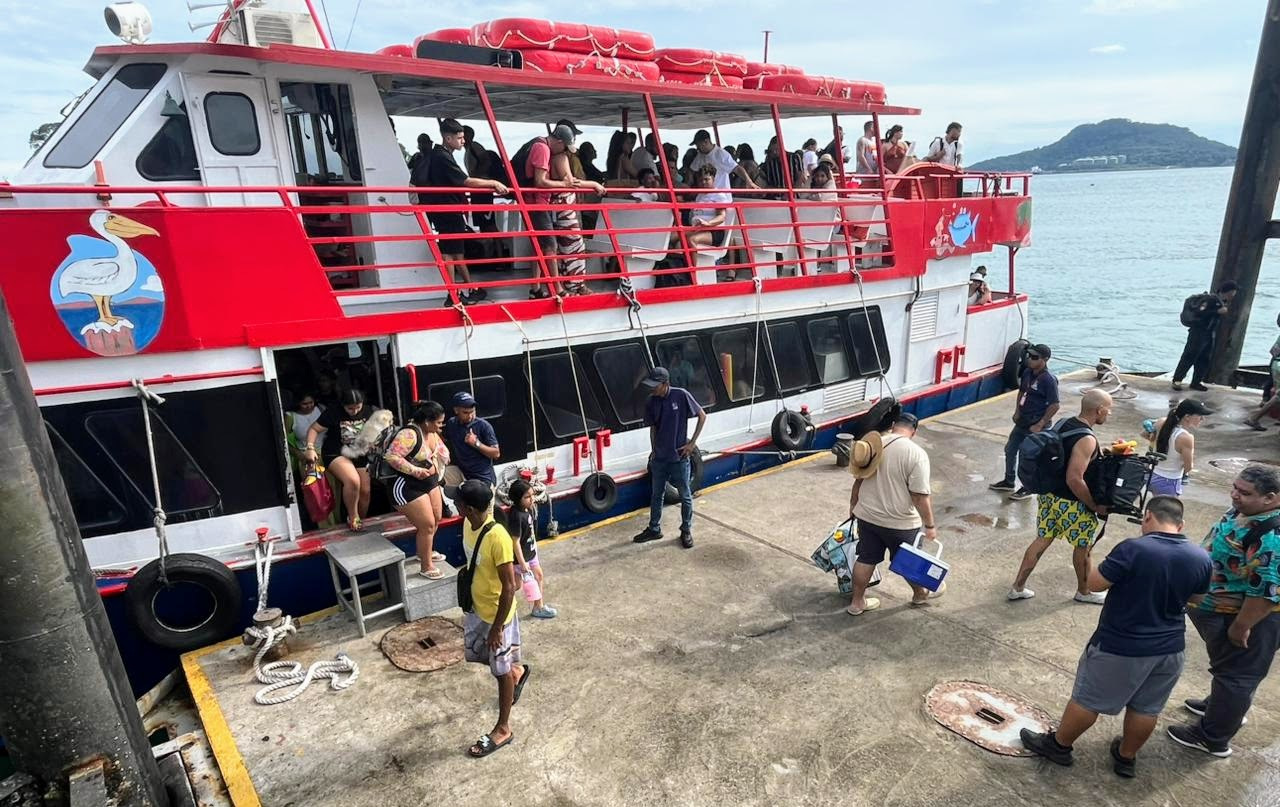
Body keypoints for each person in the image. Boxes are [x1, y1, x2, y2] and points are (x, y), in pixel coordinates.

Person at [1019, 496, 1212, 778]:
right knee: (1146, 707)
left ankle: (1059, 745)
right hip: (1170, 649)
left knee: (1087, 700)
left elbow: (1093, 584)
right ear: (1181, 524)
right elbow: (1197, 599)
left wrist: (1089, 555)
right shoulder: (1200, 557)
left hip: (1122, 645)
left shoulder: (1134, 549)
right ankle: (1126, 757)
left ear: (1147, 518)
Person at [1167, 465, 1280, 758]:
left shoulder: (1272, 535)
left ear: (1270, 498)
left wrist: (1241, 626)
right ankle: (1224, 707)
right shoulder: (1249, 513)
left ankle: (1213, 736)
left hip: (1249, 618)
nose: (1234, 495)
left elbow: (1266, 593)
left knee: (1238, 674)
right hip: (1220, 608)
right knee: (1231, 671)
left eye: (1244, 493)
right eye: (1234, 487)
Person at [1008, 389, 1113, 603]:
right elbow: (1074, 478)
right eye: (1108, 410)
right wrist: (1093, 505)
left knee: (1042, 539)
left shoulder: (1064, 422)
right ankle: (1083, 592)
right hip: (1072, 503)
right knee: (1083, 547)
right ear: (1099, 409)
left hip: (1049, 496)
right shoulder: (1087, 438)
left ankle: (1018, 587)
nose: (1108, 414)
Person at [458, 480, 529, 758]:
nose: (455, 505)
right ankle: (517, 671)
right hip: (478, 609)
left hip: (497, 616)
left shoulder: (497, 537)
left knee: (499, 673)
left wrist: (498, 627)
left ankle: (503, 728)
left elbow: (509, 586)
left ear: (471, 508)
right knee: (487, 660)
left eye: (459, 503)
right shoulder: (468, 523)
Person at [845, 410, 940, 614]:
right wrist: (930, 525)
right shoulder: (916, 454)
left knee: (866, 558)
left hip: (868, 516)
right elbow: (919, 496)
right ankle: (919, 595)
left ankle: (857, 603)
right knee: (908, 562)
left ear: (894, 425)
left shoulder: (873, 445)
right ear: (913, 432)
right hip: (900, 522)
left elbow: (858, 479)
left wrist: (853, 506)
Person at [424, 118, 510, 306]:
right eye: (460, 137)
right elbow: (466, 181)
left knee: (454, 251)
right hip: (448, 209)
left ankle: (464, 289)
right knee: (451, 253)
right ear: (448, 138)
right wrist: (493, 183)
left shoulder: (437, 155)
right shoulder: (443, 157)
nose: (463, 141)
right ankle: (454, 294)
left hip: (441, 209)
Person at [524, 124, 604, 299]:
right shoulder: (550, 152)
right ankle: (561, 287)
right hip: (544, 204)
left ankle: (539, 288)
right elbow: (549, 181)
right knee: (562, 245)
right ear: (560, 141)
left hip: (544, 203)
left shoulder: (545, 149)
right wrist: (592, 184)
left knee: (546, 246)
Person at [633, 367, 707, 549]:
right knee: (656, 495)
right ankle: (654, 528)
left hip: (679, 458)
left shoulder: (681, 396)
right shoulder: (651, 401)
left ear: (665, 384)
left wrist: (692, 444)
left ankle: (686, 530)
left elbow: (702, 415)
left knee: (685, 496)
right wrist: (654, 452)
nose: (652, 389)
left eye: (655, 386)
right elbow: (653, 428)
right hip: (660, 459)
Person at [384, 401, 449, 579]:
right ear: (427, 421)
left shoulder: (433, 432)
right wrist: (415, 470)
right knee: (427, 524)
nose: (441, 425)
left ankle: (424, 552)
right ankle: (426, 566)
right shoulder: (409, 434)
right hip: (407, 485)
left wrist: (444, 455)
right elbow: (391, 456)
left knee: (436, 519)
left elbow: (440, 449)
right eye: (438, 422)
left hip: (430, 482)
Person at [990, 344, 1059, 501]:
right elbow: (1022, 391)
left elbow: (1055, 405)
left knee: (1028, 457)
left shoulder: (1049, 380)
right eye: (1029, 356)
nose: (1030, 360)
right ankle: (1008, 481)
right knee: (1010, 450)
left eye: (1035, 357)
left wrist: (1040, 424)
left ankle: (1027, 487)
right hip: (1022, 421)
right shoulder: (1028, 372)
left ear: (1045, 360)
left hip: (1036, 425)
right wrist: (1017, 411)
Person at [304, 389, 376, 532]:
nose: (354, 411)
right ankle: (353, 516)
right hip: (336, 452)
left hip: (359, 453)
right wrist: (310, 447)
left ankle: (361, 519)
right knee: (353, 480)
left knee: (365, 490)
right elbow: (314, 429)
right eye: (350, 408)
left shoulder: (369, 411)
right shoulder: (333, 412)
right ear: (343, 405)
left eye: (358, 407)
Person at [549, 128, 599, 297]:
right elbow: (571, 182)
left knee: (564, 246)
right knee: (575, 245)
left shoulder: (550, 157)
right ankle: (576, 284)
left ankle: (569, 283)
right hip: (564, 205)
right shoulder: (561, 158)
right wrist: (594, 184)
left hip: (556, 204)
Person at [1173, 280, 1238, 392]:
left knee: (1204, 358)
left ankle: (1196, 382)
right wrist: (1217, 311)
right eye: (1233, 292)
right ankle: (1177, 379)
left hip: (1209, 333)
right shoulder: (1211, 300)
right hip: (1198, 332)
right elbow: (1200, 312)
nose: (1234, 295)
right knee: (1190, 356)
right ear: (1229, 292)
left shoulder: (1222, 302)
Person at [506, 478, 556, 619]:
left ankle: (538, 607)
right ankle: (500, 604)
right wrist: (522, 563)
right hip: (521, 557)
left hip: (530, 553)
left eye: (532, 495)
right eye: (527, 497)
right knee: (516, 585)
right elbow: (515, 541)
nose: (531, 499)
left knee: (538, 576)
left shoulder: (526, 510)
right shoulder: (516, 516)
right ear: (518, 499)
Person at [1150, 399, 1213, 496]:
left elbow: (1145, 435)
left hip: (1152, 475)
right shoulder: (1186, 438)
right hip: (1169, 481)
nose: (1202, 419)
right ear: (1187, 416)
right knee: (1165, 510)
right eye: (1200, 416)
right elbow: (1188, 467)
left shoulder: (1161, 422)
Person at [443, 391, 500, 490]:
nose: (470, 416)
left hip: (482, 479)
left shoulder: (484, 426)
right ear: (456, 410)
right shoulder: (452, 423)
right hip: (462, 473)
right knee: (435, 475)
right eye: (465, 412)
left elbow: (496, 454)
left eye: (472, 411)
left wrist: (476, 443)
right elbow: (443, 438)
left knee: (479, 501)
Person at [689, 129, 760, 192]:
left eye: (698, 145)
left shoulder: (721, 154)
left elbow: (737, 168)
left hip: (721, 196)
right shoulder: (700, 155)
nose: (697, 148)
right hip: (707, 195)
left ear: (706, 141)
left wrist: (749, 182)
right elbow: (692, 170)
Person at [1243, 312, 1280, 430]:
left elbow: (1274, 351)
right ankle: (1254, 418)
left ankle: (1255, 418)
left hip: (1276, 363)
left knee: (1278, 395)